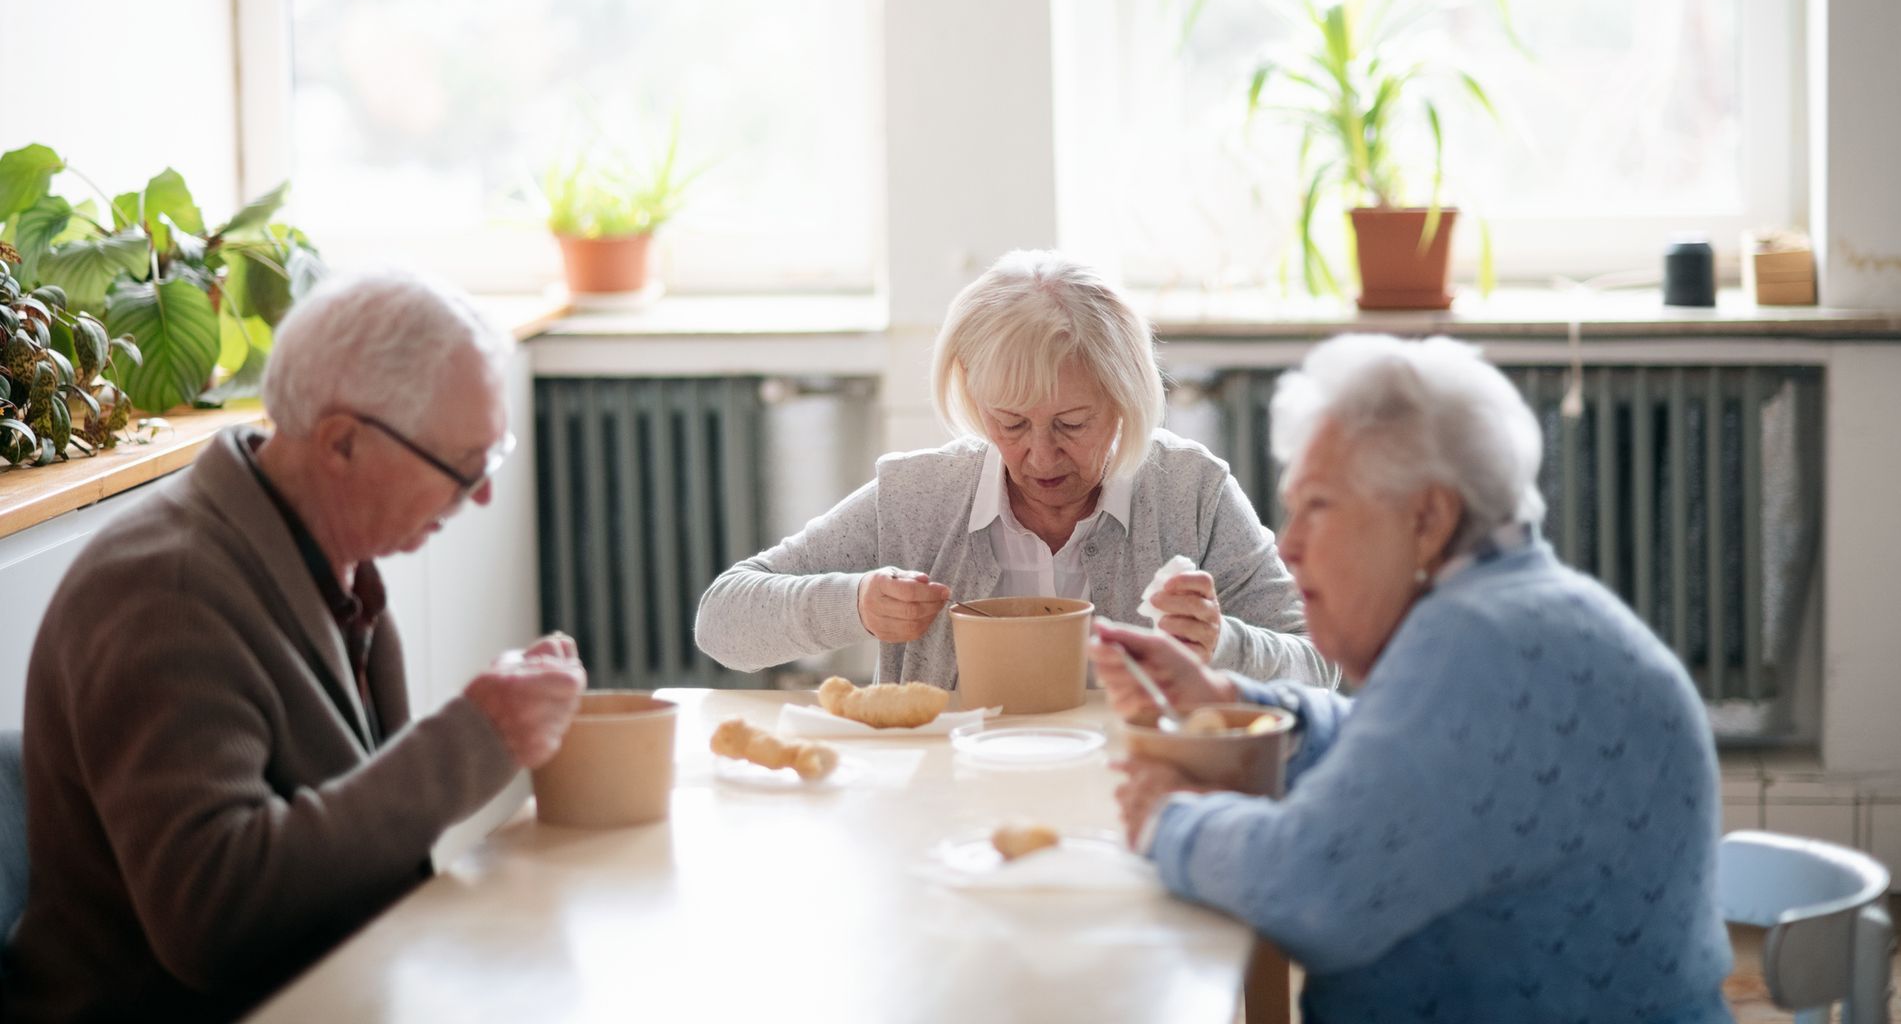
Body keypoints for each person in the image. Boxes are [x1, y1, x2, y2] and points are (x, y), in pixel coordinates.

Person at [1095, 333, 1734, 1023]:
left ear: (1427, 519)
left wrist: (1167, 817)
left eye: (1317, 507)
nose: (1290, 544)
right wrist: (1231, 701)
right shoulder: (1518, 610)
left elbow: (1314, 887)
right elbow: (1409, 750)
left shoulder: (1476, 642)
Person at [4, 270, 587, 1023]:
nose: (481, 495)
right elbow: (213, 918)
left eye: (491, 458)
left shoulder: (325, 555)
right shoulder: (167, 595)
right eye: (462, 467)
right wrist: (472, 741)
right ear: (342, 442)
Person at [696, 250, 1333, 687]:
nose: (1041, 455)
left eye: (1072, 424)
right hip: (950, 802)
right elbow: (721, 621)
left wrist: (1224, 646)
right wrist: (855, 604)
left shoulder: (1191, 491)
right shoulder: (918, 497)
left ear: (1125, 400)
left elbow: (1319, 665)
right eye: (1010, 423)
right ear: (974, 401)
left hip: (1135, 788)